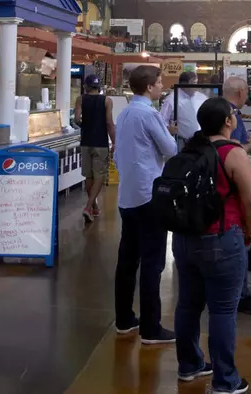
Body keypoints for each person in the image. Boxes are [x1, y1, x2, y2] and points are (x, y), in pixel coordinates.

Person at [173, 97, 251, 394]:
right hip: (221, 239)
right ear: (228, 121)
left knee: (187, 304)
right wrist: (250, 231)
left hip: (184, 240)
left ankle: (189, 365)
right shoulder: (232, 153)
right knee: (222, 310)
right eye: (233, 114)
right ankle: (225, 380)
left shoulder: (189, 149)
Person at [112, 65, 176, 344]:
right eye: (160, 83)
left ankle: (124, 319)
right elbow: (170, 150)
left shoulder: (125, 113)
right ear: (149, 87)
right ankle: (151, 327)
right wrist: (170, 132)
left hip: (127, 195)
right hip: (149, 195)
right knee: (153, 262)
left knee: (128, 259)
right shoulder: (149, 114)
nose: (162, 87)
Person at [220, 75, 251, 316]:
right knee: (240, 247)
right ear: (241, 93)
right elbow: (234, 151)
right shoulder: (233, 117)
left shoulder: (218, 113)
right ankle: (240, 296)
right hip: (233, 193)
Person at [75, 75, 113, 224]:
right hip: (101, 143)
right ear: (99, 87)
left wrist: (86, 125)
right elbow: (109, 123)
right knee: (100, 176)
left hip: (86, 142)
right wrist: (114, 142)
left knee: (89, 177)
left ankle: (94, 207)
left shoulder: (80, 99)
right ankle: (88, 206)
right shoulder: (107, 101)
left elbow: (77, 119)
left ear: (86, 86)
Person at [160, 70, 205, 145]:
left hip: (202, 141)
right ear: (184, 84)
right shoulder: (171, 99)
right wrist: (169, 130)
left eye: (196, 83)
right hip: (181, 142)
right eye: (193, 83)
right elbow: (162, 120)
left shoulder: (201, 97)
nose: (195, 86)